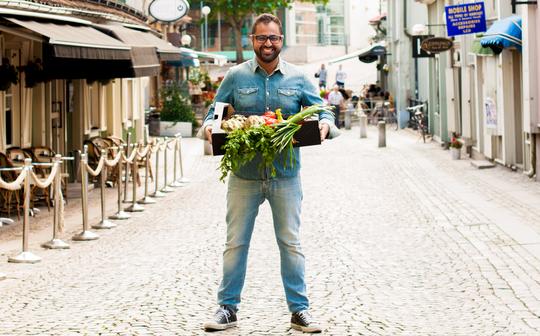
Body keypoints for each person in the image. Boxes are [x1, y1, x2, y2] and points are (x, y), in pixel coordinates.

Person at [201, 13, 335, 333]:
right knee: (236, 243)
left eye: (273, 38)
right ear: (252, 40)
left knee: (290, 243)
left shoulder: (299, 78)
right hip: (244, 175)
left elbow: (324, 110)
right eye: (261, 38)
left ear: (281, 40)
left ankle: (299, 310)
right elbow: (213, 114)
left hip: (286, 174)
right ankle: (227, 308)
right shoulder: (235, 77)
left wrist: (326, 125)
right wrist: (210, 128)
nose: (268, 44)